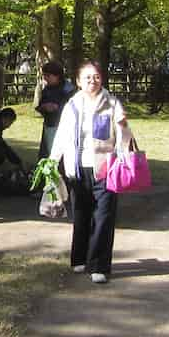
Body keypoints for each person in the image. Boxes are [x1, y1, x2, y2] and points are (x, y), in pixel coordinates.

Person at [48, 61, 131, 284]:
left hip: (106, 168)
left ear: (101, 79)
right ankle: (79, 259)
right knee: (81, 214)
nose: (92, 81)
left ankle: (99, 265)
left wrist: (122, 154)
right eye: (87, 78)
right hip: (77, 168)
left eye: (96, 77)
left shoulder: (112, 103)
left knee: (103, 216)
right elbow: (63, 136)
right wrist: (53, 161)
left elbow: (124, 134)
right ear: (78, 81)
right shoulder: (72, 105)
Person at [35, 60, 75, 159]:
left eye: (48, 75)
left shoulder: (69, 89)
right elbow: (40, 106)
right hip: (49, 125)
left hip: (65, 127)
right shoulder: (46, 89)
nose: (45, 78)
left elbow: (74, 109)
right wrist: (44, 107)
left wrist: (58, 108)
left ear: (57, 75)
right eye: (44, 75)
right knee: (48, 154)